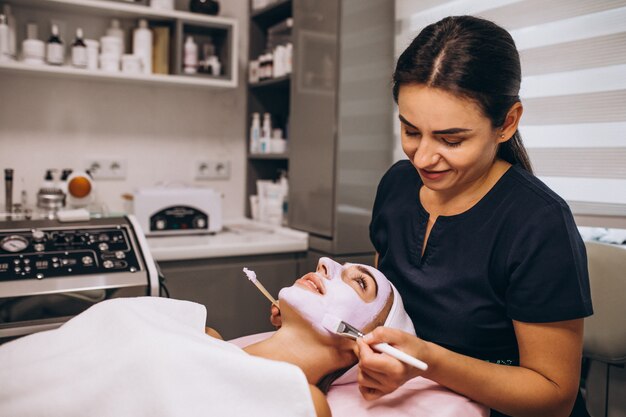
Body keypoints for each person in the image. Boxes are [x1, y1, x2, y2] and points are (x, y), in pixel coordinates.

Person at [349, 15, 593, 417]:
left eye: (451, 139)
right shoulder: (397, 186)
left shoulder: (538, 223)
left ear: (507, 123)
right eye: (411, 131)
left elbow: (554, 397)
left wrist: (427, 361)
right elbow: (385, 307)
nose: (423, 157)